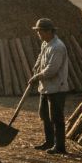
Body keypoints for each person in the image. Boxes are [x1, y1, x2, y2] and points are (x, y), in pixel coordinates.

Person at [28, 17, 70, 155]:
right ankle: (49, 142)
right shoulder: (46, 43)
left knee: (56, 118)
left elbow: (52, 70)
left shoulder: (58, 47)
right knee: (45, 115)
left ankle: (60, 146)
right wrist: (36, 66)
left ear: (48, 31)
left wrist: (37, 76)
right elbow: (41, 56)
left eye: (39, 31)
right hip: (46, 87)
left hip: (57, 88)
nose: (38, 34)